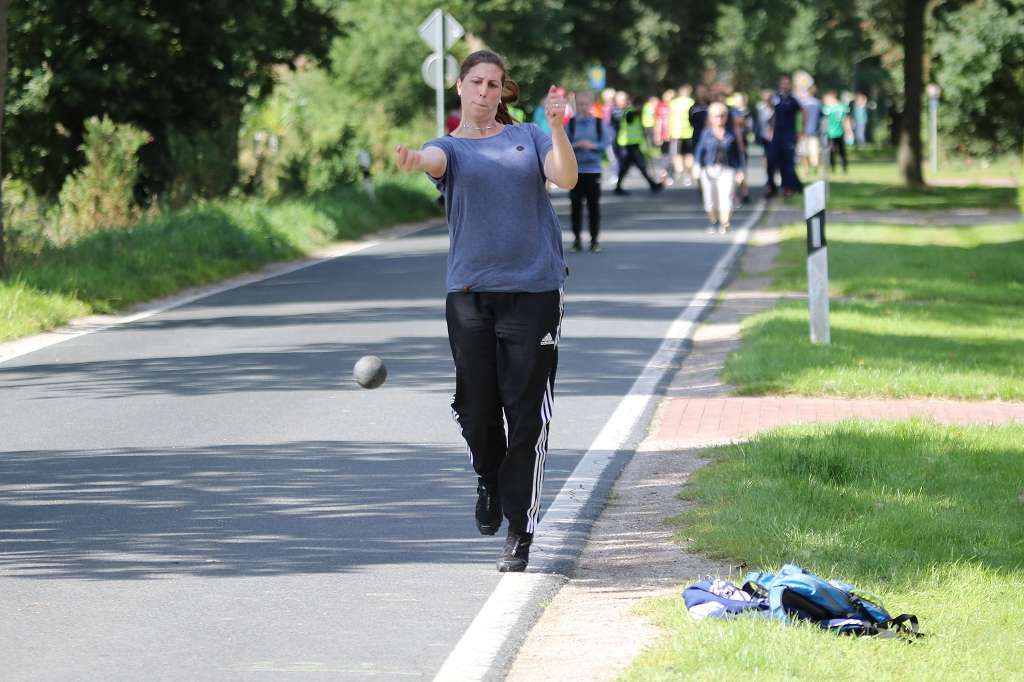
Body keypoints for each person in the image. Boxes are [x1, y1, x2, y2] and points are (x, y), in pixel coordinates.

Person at [393, 50, 578, 573]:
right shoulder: (449, 147)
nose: (484, 92)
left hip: (534, 292)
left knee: (525, 413)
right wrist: (416, 160)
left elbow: (565, 177)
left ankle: (520, 529)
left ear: (503, 91)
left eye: (493, 84)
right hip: (470, 294)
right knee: (476, 407)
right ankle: (489, 478)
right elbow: (435, 161)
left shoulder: (529, 137)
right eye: (476, 82)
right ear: (459, 86)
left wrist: (557, 128)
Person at [693, 102, 744, 234]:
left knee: (726, 197)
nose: (719, 119)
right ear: (710, 118)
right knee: (710, 199)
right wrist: (696, 166)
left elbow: (737, 155)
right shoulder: (706, 134)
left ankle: (725, 223)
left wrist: (740, 171)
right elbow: (699, 151)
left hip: (727, 170)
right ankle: (714, 221)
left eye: (722, 116)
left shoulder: (731, 135)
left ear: (726, 117)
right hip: (709, 170)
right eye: (716, 116)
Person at [567, 90, 605, 252]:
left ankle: (594, 240)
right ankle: (576, 240)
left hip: (593, 170)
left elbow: (605, 144)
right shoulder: (571, 123)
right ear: (576, 105)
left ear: (591, 105)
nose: (583, 107)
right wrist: (576, 145)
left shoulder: (598, 123)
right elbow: (563, 145)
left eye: (586, 104)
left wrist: (592, 146)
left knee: (593, 206)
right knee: (575, 206)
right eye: (580, 104)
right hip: (575, 171)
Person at [614, 94, 664, 195]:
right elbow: (629, 118)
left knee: (627, 167)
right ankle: (652, 184)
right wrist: (637, 112)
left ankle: (618, 187)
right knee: (640, 165)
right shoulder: (630, 111)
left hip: (633, 144)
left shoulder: (636, 113)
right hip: (627, 144)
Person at [766, 75, 803, 198]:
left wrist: (801, 130)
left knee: (788, 163)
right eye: (783, 83)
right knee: (771, 161)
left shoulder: (793, 100)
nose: (785, 85)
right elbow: (771, 114)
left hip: (789, 135)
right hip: (777, 135)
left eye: (787, 83)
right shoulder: (775, 98)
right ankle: (771, 187)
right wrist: (770, 131)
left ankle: (789, 188)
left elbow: (803, 113)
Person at [669, 85, 696, 185]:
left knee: (677, 154)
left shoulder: (674, 103)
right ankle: (687, 175)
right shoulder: (691, 102)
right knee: (689, 154)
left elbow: (670, 118)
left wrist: (668, 131)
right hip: (689, 132)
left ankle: (680, 171)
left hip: (676, 132)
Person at [822, 90, 852, 173]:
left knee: (838, 151)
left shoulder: (829, 108)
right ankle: (836, 168)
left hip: (835, 133)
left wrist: (848, 131)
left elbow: (846, 120)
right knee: (835, 151)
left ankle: (840, 168)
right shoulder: (840, 107)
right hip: (831, 133)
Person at [798, 85, 822, 172]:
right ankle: (815, 166)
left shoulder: (802, 103)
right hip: (814, 131)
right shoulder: (818, 103)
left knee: (803, 151)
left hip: (803, 131)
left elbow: (800, 119)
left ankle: (806, 169)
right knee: (814, 150)